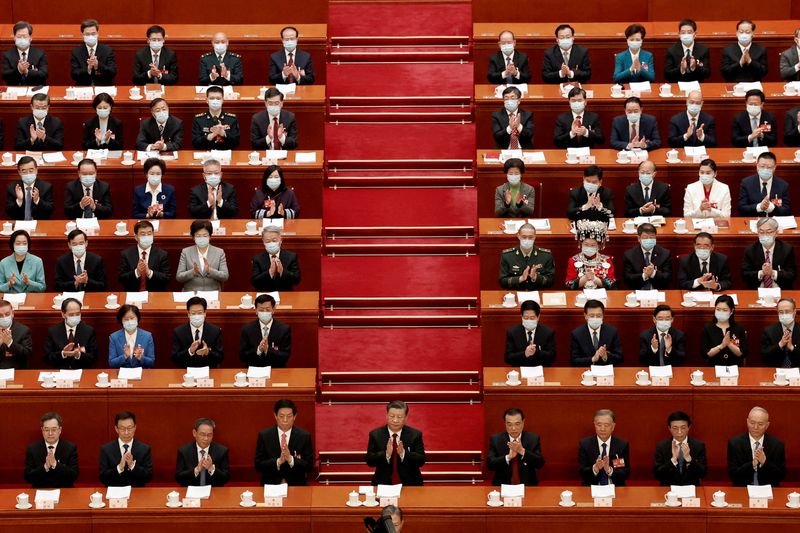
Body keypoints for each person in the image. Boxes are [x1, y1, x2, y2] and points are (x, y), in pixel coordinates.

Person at [254, 399, 314, 485]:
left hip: (297, 485)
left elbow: (309, 466)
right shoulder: (264, 435)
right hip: (271, 485)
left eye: (289, 416)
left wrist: (291, 459)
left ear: (295, 416)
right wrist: (278, 461)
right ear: (275, 416)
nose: (285, 420)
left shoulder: (304, 436)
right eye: (281, 416)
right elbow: (258, 465)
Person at [366, 400, 426, 486]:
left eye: (399, 417)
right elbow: (370, 461)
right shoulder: (375, 434)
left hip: (411, 484)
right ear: (386, 416)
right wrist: (386, 454)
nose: (395, 420)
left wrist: (403, 453)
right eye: (392, 416)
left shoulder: (415, 435)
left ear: (406, 418)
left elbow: (421, 460)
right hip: (383, 484)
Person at [727, 407, 785, 487]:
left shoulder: (777, 445)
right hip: (742, 489)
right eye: (752, 423)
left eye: (760, 424)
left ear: (767, 425)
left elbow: (781, 476)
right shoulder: (735, 443)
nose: (755, 427)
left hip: (769, 490)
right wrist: (752, 464)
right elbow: (733, 475)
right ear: (747, 421)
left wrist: (764, 463)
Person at [487, 407, 545, 486]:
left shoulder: (533, 438)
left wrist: (522, 451)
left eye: (517, 424)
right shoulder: (496, 439)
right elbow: (490, 465)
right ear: (505, 423)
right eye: (509, 424)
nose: (513, 428)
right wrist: (508, 457)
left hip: (528, 487)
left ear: (523, 422)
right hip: (503, 486)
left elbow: (540, 463)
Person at [98, 411, 153, 487]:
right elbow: (103, 478)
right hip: (114, 494)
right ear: (116, 429)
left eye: (129, 428)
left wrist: (132, 465)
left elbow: (148, 477)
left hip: (137, 493)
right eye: (122, 428)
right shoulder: (106, 449)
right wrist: (119, 467)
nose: (126, 432)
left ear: (135, 428)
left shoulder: (144, 449)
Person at [24, 412, 79, 488]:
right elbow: (28, 478)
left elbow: (74, 476)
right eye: (46, 430)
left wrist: (55, 464)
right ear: (42, 430)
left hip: (64, 491)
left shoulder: (70, 448)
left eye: (54, 429)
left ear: (60, 430)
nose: (50, 433)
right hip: (40, 491)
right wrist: (45, 467)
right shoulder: (32, 448)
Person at [565, 213, 617, 290]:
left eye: (592, 245)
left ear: (598, 246)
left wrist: (595, 279)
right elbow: (569, 285)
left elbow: (612, 285)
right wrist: (585, 278)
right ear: (581, 244)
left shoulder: (607, 260)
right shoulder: (573, 260)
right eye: (586, 244)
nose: (589, 247)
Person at [653, 411, 707, 486]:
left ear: (689, 427)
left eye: (683, 427)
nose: (679, 432)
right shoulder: (661, 446)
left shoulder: (698, 445)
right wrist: (673, 460)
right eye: (675, 428)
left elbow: (703, 474)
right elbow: (657, 475)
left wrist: (689, 459)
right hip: (668, 489)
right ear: (669, 428)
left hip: (691, 489)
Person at [742, 217, 797, 290]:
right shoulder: (750, 250)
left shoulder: (786, 249)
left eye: (769, 232)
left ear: (776, 233)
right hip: (758, 291)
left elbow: (792, 275)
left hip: (780, 290)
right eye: (761, 232)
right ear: (757, 233)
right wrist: (761, 273)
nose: (765, 235)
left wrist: (773, 273)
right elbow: (744, 275)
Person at [578, 409, 629, 486]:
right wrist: (595, 468)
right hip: (592, 488)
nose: (602, 429)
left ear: (613, 426)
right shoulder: (585, 444)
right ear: (594, 425)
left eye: (606, 425)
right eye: (599, 425)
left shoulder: (621, 445)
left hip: (615, 488)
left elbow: (625, 473)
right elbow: (582, 473)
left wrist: (609, 470)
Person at [44, 297, 98, 369]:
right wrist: (63, 353)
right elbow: (47, 357)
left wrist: (78, 355)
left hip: (81, 371)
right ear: (63, 314)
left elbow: (94, 357)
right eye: (71, 315)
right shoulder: (53, 331)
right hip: (60, 372)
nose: (75, 317)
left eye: (78, 314)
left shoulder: (88, 331)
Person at [176, 219, 229, 291]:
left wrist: (210, 270)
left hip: (212, 292)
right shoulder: (186, 252)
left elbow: (225, 276)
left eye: (205, 235)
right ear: (193, 237)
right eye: (198, 236)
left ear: (210, 236)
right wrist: (192, 272)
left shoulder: (219, 252)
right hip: (192, 292)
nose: (202, 238)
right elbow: (179, 277)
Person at [239, 294, 291, 367]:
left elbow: (285, 356)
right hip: (254, 369)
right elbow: (243, 356)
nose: (264, 312)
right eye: (261, 310)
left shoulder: (283, 329)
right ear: (256, 310)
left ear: (273, 310)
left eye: (267, 309)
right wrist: (258, 350)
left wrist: (267, 350)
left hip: (276, 370)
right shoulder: (247, 329)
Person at [118, 220, 171, 292]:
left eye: (149, 234)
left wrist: (149, 272)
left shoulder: (162, 254)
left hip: (155, 293)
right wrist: (137, 272)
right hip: (133, 293)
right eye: (143, 234)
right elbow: (121, 279)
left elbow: (167, 279)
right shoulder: (126, 254)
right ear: (136, 237)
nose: (147, 237)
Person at [171, 296, 224, 368]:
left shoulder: (215, 331)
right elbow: (174, 358)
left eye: (200, 313)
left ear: (205, 313)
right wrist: (190, 351)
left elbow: (220, 358)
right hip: (186, 373)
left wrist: (208, 352)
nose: (196, 316)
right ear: (188, 314)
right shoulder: (179, 332)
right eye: (193, 313)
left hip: (209, 371)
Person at [175, 418, 230, 486]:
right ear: (194, 433)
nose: (206, 438)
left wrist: (211, 469)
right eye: (202, 434)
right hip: (191, 491)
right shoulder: (184, 451)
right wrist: (196, 470)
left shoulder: (221, 451)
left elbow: (226, 478)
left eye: (209, 435)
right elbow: (178, 478)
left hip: (214, 491)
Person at [498, 223, 554, 290]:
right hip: (516, 294)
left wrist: (536, 277)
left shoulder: (545, 255)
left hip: (537, 295)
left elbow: (551, 281)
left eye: (530, 237)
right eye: (524, 237)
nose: (527, 240)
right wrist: (520, 279)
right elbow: (502, 282)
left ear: (534, 237)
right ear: (518, 236)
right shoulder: (507, 256)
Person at [570, 300, 623, 366]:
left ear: (603, 316)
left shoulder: (612, 332)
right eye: (591, 316)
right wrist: (592, 359)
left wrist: (605, 356)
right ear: (585, 316)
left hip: (606, 371)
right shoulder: (577, 334)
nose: (595, 318)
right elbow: (574, 360)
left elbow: (620, 358)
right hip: (586, 372)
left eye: (598, 316)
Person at [504, 300, 556, 367]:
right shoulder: (512, 332)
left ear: (538, 317)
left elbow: (552, 357)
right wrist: (525, 354)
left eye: (532, 318)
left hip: (541, 370)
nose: (529, 320)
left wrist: (536, 352)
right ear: (521, 317)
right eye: (526, 318)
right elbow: (508, 358)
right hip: (520, 369)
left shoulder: (548, 332)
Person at [738, 152, 791, 217]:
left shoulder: (783, 185)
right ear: (757, 166)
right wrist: (759, 207)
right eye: (762, 166)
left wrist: (773, 208)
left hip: (774, 223)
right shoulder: (746, 183)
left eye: (769, 167)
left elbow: (787, 211)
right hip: (754, 221)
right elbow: (741, 209)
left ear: (774, 168)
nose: (765, 170)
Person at [251, 225, 301, 292]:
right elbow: (254, 282)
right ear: (263, 242)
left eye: (274, 240)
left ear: (280, 240)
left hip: (285, 294)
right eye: (268, 241)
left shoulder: (291, 256)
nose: (271, 243)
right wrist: (269, 272)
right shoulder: (257, 259)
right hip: (265, 295)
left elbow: (297, 280)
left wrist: (282, 271)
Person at [701, 294, 747, 366]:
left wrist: (729, 344)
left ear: (731, 311)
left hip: (734, 367)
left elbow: (742, 354)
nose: (721, 312)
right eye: (718, 309)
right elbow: (705, 354)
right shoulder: (707, 328)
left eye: (725, 310)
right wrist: (721, 346)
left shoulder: (739, 328)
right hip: (714, 367)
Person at [623, 223, 672, 290]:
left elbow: (668, 278)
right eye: (645, 237)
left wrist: (653, 273)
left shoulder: (665, 254)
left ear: (655, 238)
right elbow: (627, 278)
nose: (649, 240)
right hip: (637, 291)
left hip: (658, 292)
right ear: (639, 238)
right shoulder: (629, 255)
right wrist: (644, 275)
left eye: (652, 237)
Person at [70, 19, 117, 86]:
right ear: (83, 35)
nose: (90, 36)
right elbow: (74, 75)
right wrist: (88, 68)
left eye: (93, 33)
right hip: (83, 87)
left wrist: (98, 65)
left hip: (103, 87)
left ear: (97, 34)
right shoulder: (76, 52)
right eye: (87, 34)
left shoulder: (107, 50)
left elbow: (113, 73)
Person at [6, 156, 54, 220]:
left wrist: (37, 200)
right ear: (19, 172)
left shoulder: (46, 187)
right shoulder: (12, 187)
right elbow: (9, 212)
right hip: (20, 223)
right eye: (24, 172)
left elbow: (50, 211)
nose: (28, 174)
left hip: (39, 223)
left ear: (36, 170)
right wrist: (19, 201)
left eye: (31, 171)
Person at [2, 21, 48, 86]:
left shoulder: (40, 53)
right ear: (14, 38)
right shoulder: (7, 55)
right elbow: (5, 76)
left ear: (30, 38)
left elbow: (44, 75)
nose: (22, 39)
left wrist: (27, 72)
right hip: (15, 91)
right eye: (19, 36)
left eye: (25, 36)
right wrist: (19, 70)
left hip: (34, 90)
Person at [109, 304, 155, 369]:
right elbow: (111, 363)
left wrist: (141, 358)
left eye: (132, 318)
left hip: (142, 374)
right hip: (122, 375)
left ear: (137, 318)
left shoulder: (147, 336)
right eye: (126, 319)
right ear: (121, 321)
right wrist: (124, 356)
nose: (129, 322)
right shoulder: (114, 337)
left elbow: (151, 362)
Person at [761, 298, 800, 368]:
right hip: (774, 370)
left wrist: (792, 348)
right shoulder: (768, 331)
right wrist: (780, 344)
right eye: (781, 312)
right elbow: (764, 357)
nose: (784, 314)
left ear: (794, 312)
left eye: (787, 312)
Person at [0, 299, 31, 369]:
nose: (4, 317)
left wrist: (10, 343)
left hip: (16, 370)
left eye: (7, 314)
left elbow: (27, 354)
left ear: (12, 313)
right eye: (0, 315)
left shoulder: (23, 330)